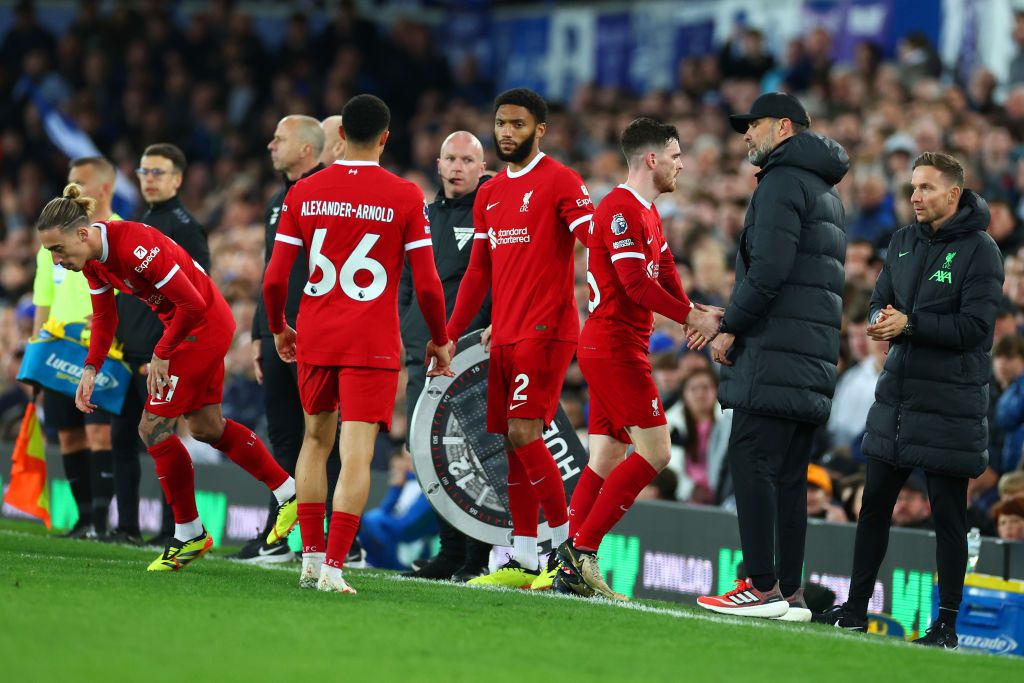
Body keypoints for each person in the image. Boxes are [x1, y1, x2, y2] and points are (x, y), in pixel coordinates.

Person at [35, 184, 298, 571]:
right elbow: (106, 318)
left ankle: (189, 532)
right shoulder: (93, 262)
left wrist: (162, 351)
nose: (57, 261)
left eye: (58, 249)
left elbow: (191, 303)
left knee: (152, 426)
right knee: (207, 427)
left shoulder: (133, 246)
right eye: (49, 253)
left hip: (199, 327)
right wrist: (92, 367)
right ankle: (288, 491)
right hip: (189, 326)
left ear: (83, 233)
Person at [263, 94, 452, 595]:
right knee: (355, 454)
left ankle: (308, 558)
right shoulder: (405, 195)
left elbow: (275, 277)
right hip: (371, 340)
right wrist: (440, 338)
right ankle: (335, 567)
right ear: (386, 138)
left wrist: (280, 326)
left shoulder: (304, 192)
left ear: (339, 135)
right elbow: (428, 284)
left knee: (313, 442)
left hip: (317, 334)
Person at [815, 152, 1003, 650]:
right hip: (897, 397)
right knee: (873, 504)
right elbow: (880, 298)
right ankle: (855, 611)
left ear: (954, 194)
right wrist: (880, 317)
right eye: (912, 187)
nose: (915, 196)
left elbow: (977, 329)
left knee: (948, 515)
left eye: (925, 188)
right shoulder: (900, 242)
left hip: (951, 405)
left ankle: (946, 624)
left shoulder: (981, 251)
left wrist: (911, 324)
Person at [696, 92, 849, 621]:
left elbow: (768, 273)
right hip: (807, 356)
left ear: (783, 127)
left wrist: (729, 327)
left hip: (776, 353)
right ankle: (789, 590)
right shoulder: (824, 189)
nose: (745, 135)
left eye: (753, 125)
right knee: (787, 474)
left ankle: (760, 584)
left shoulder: (782, 182)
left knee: (751, 458)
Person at [554, 118, 722, 600]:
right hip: (614, 348)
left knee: (605, 455)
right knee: (658, 453)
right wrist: (691, 316)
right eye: (675, 154)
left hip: (615, 345)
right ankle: (581, 552)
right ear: (652, 159)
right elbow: (635, 285)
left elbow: (664, 266)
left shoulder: (646, 210)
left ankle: (567, 556)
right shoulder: (621, 211)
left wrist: (690, 310)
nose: (681, 163)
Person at [445, 88, 594, 590]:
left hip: (546, 330)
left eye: (517, 124)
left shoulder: (562, 181)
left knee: (525, 432)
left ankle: (567, 552)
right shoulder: (489, 193)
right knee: (511, 442)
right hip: (504, 334)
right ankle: (526, 559)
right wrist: (447, 336)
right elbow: (476, 276)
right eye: (501, 124)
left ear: (540, 130)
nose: (507, 132)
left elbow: (595, 239)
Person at [399, 130, 492, 582]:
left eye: (466, 160)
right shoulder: (423, 215)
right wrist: (406, 328)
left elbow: (497, 281)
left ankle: (477, 556)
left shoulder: (491, 212)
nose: (456, 167)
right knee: (432, 455)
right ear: (438, 165)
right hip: (423, 352)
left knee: (476, 453)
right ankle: (450, 551)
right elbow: (403, 277)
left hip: (472, 353)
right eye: (450, 159)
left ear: (482, 166)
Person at [107, 143, 211, 547]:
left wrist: (169, 351)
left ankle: (175, 527)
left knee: (161, 438)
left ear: (178, 179)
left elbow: (200, 291)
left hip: (159, 355)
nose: (149, 179)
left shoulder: (185, 226)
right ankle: (127, 526)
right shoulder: (143, 220)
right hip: (129, 351)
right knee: (123, 439)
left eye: (158, 172)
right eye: (144, 172)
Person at [239, 115, 325, 563]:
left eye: (280, 138)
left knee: (321, 436)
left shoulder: (325, 194)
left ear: (308, 149)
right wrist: (258, 332)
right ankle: (280, 534)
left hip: (315, 331)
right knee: (284, 436)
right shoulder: (278, 198)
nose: (270, 145)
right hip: (276, 333)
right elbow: (272, 272)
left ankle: (328, 539)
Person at [31, 157, 120, 539]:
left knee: (99, 434)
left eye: (80, 182)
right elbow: (42, 301)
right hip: (56, 349)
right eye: (69, 181)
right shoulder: (50, 245)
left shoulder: (116, 235)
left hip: (104, 348)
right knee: (67, 435)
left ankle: (101, 524)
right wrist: (36, 351)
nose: (73, 189)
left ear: (104, 188)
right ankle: (84, 521)